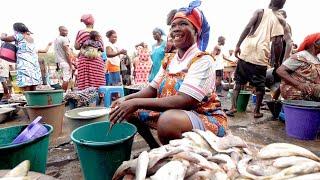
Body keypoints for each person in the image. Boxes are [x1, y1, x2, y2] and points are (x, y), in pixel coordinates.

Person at [110, 0, 227, 148]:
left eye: (184, 24)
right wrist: (125, 100)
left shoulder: (203, 60)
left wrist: (135, 103)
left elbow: (184, 100)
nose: (176, 29)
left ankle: (180, 155)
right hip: (174, 113)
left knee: (167, 122)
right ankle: (156, 148)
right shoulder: (169, 59)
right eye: (173, 26)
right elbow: (152, 89)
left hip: (204, 117)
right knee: (127, 111)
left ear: (196, 31)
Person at [226, 0, 286, 118]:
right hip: (260, 56)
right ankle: (256, 111)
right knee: (260, 87)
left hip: (246, 52)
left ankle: (233, 107)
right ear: (281, 6)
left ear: (270, 2)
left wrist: (238, 45)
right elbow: (277, 43)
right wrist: (277, 61)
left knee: (238, 82)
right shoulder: (278, 20)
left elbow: (248, 27)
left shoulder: (259, 12)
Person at [1, 23, 51, 91]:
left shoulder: (19, 36)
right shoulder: (31, 38)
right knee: (33, 82)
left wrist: (2, 35)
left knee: (26, 83)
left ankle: (28, 99)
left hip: (24, 62)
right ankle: (33, 100)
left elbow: (4, 39)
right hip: (33, 62)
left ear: (16, 29)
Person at [277, 33, 320, 101]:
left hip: (310, 90)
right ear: (315, 43)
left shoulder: (316, 59)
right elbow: (280, 71)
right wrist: (299, 84)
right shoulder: (301, 56)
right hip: (296, 90)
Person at [74, 14, 105, 90]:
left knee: (85, 83)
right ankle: (99, 98)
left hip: (85, 60)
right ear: (93, 22)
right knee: (98, 82)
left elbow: (77, 47)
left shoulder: (81, 32)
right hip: (97, 61)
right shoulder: (98, 34)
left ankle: (85, 99)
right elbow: (102, 49)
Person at [54, 26, 72, 91]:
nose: (66, 32)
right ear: (60, 31)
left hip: (59, 63)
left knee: (61, 80)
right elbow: (67, 53)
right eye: (64, 31)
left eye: (67, 31)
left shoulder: (56, 39)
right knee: (66, 79)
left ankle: (60, 94)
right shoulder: (64, 39)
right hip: (65, 62)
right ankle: (63, 95)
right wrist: (70, 65)